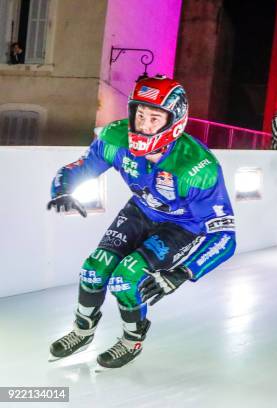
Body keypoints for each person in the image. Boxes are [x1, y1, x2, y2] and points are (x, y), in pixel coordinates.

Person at [47, 75, 236, 369]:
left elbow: (225, 236)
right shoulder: (114, 137)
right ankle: (82, 331)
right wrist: (62, 188)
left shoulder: (198, 167)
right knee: (93, 269)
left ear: (174, 121)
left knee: (127, 278)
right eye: (140, 114)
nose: (144, 125)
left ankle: (132, 340)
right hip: (141, 210)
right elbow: (83, 166)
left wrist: (184, 272)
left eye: (154, 118)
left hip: (181, 227)